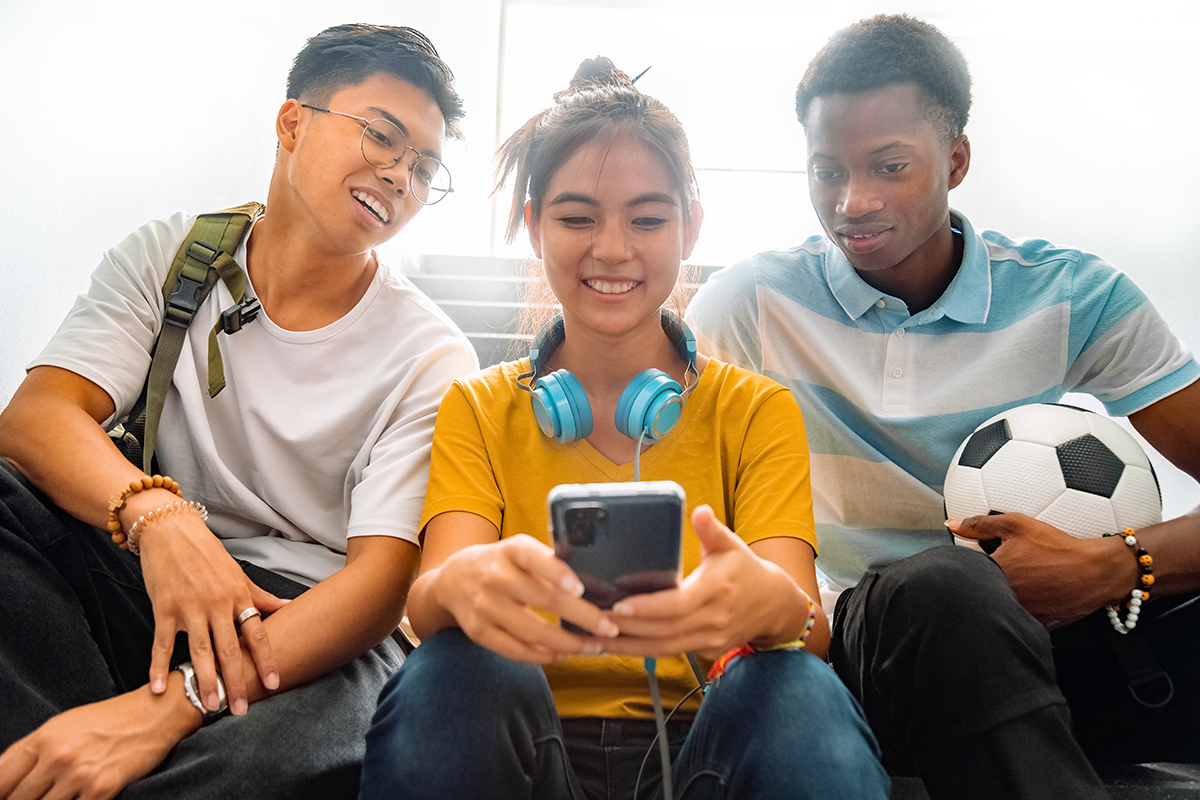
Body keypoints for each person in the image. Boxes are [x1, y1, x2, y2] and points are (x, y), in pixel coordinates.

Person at [685, 12, 1200, 799]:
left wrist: (1112, 566)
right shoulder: (747, 306)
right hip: (861, 647)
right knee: (948, 587)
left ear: (956, 160)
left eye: (890, 166)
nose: (853, 202)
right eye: (827, 171)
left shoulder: (1075, 295)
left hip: (1057, 644)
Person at [356, 58, 888, 800]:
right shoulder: (478, 406)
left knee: (796, 684)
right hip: (525, 741)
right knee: (448, 670)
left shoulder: (756, 410)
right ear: (534, 227)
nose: (612, 249)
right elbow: (428, 599)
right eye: (577, 218)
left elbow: (809, 629)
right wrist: (461, 587)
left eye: (647, 219)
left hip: (703, 744)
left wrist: (767, 605)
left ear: (689, 226)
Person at [0, 23, 477, 800]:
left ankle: (98, 743)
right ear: (294, 123)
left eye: (425, 167)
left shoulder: (431, 355)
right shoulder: (173, 255)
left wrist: (170, 709)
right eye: (381, 137)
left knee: (288, 754)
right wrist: (161, 517)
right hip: (147, 575)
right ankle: (63, 748)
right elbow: (35, 417)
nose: (400, 176)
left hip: (309, 623)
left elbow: (380, 584)